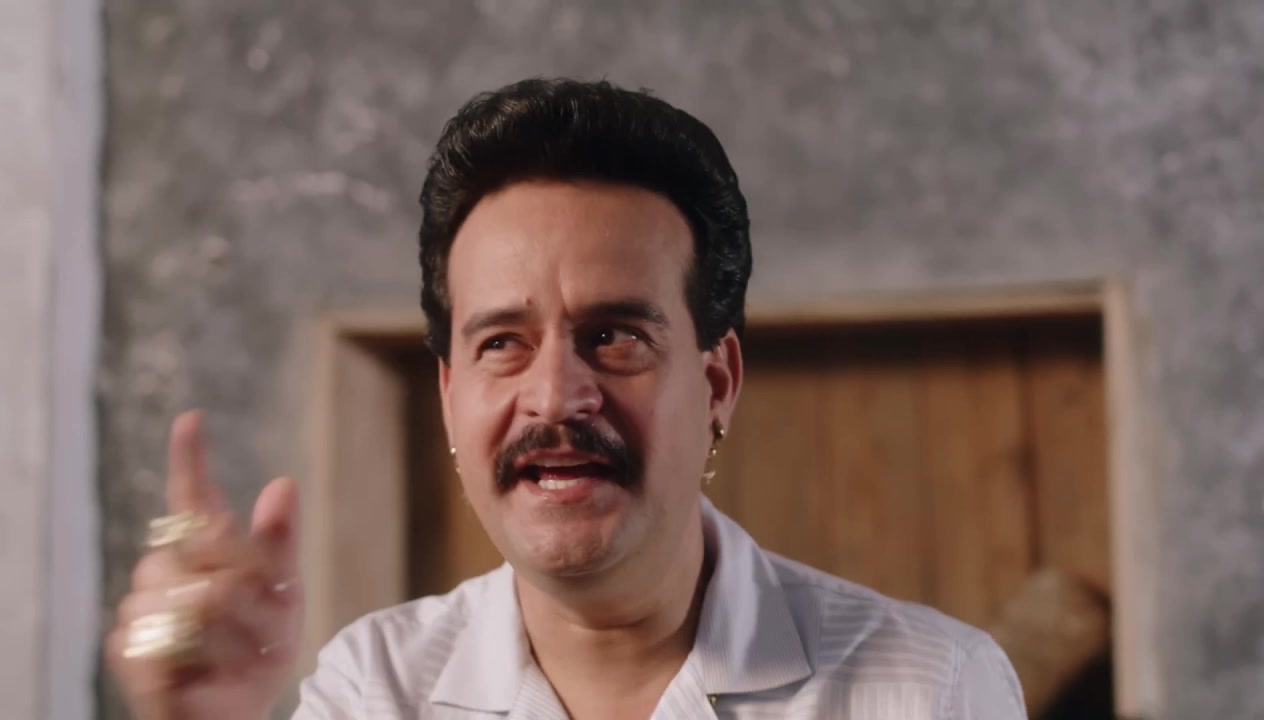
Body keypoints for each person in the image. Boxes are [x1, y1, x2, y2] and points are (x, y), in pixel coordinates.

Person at [107, 78, 1027, 719]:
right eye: (502, 343)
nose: (554, 396)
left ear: (716, 383)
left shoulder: (932, 688)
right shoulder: (376, 688)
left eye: (615, 337)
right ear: (451, 396)